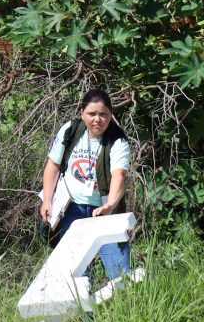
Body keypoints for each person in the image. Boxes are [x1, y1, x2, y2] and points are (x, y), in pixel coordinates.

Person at [38, 88, 133, 279]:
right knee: (73, 273)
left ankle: (123, 306)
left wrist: (109, 205)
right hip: (72, 209)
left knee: (120, 273)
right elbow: (53, 165)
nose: (97, 119)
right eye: (91, 114)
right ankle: (84, 308)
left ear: (110, 115)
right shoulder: (70, 130)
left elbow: (119, 176)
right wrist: (47, 200)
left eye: (103, 114)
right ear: (82, 113)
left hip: (104, 213)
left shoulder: (118, 141)